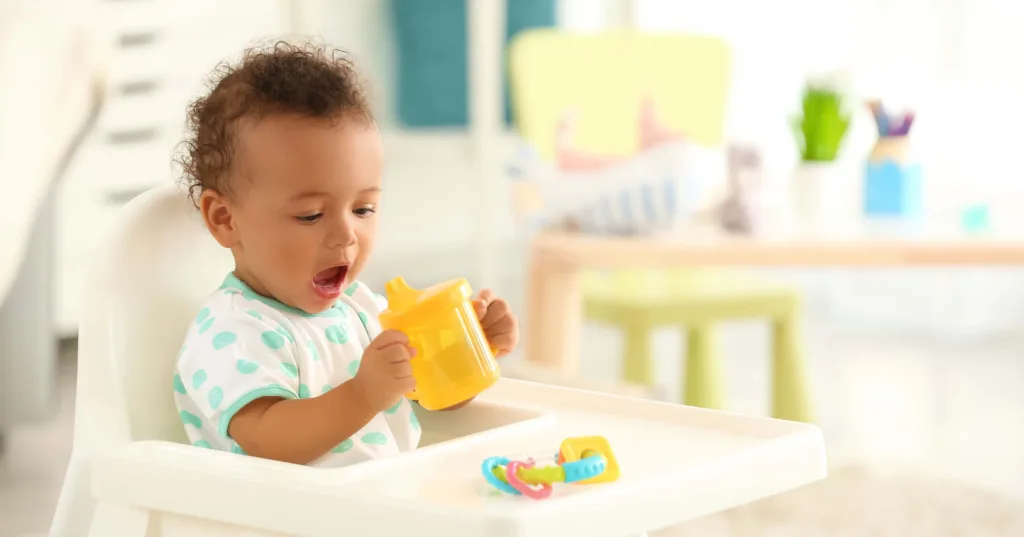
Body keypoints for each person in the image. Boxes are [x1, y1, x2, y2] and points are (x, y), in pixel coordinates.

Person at [171, 41, 518, 467]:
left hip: (372, 504)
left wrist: (469, 351)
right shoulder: (231, 332)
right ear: (225, 218)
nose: (346, 235)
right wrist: (363, 393)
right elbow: (267, 441)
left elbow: (428, 396)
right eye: (311, 215)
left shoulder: (362, 309)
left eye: (363, 209)